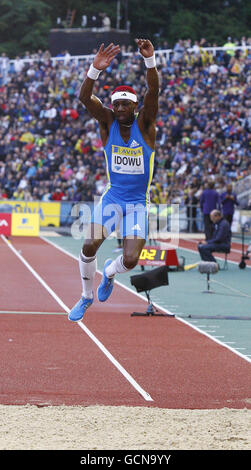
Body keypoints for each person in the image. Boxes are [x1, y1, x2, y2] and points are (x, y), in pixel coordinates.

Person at [68, 39, 159, 321]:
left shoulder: (145, 125)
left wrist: (150, 60)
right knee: (87, 245)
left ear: (134, 107)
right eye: (116, 103)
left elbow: (153, 90)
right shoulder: (107, 123)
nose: (120, 108)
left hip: (137, 204)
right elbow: (85, 99)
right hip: (113, 198)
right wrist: (94, 70)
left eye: (125, 104)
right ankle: (86, 296)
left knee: (130, 260)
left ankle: (109, 272)